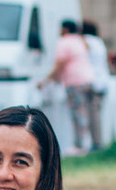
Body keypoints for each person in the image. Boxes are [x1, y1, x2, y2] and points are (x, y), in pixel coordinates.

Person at [39, 19, 95, 153]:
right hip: (88, 79)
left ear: (64, 29)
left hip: (75, 81)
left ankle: (80, 146)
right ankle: (87, 143)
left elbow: (60, 64)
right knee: (85, 112)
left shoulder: (64, 42)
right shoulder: (79, 40)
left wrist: (45, 81)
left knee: (78, 112)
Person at [82, 21, 110, 151]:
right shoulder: (99, 42)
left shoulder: (87, 41)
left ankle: (96, 143)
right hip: (103, 81)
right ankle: (97, 141)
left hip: (93, 83)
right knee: (97, 113)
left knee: (93, 115)